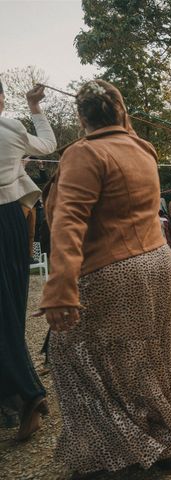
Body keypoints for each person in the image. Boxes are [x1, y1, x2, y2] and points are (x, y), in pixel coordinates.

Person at [36, 80, 171, 476]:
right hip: (156, 260)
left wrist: (59, 289)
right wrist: (120, 111)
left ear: (79, 117)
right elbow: (127, 128)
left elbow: (69, 221)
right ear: (123, 113)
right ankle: (160, 442)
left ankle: (118, 457)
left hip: (113, 268)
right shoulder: (141, 148)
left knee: (76, 357)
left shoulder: (84, 154)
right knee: (144, 354)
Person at [0, 81, 56, 440]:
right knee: (11, 306)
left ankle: (27, 393)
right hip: (13, 221)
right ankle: (14, 396)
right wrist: (35, 108)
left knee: (4, 310)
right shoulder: (11, 127)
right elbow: (49, 145)